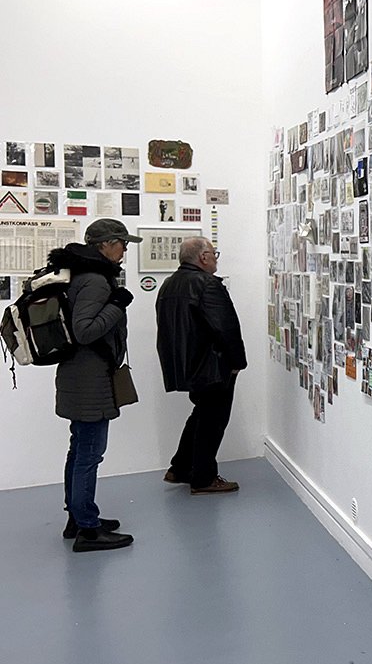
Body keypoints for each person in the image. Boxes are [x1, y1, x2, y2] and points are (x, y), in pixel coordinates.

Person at [49, 218, 142, 552]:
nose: (125, 249)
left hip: (80, 376)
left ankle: (77, 518)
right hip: (89, 379)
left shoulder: (83, 274)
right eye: (122, 243)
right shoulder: (95, 281)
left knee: (80, 450)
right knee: (89, 453)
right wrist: (117, 304)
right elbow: (85, 331)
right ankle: (88, 530)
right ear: (105, 244)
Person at [156, 238, 246, 495]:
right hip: (212, 365)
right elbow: (226, 327)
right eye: (214, 254)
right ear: (203, 257)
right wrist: (237, 362)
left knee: (202, 414)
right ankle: (203, 478)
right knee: (213, 420)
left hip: (186, 364)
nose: (216, 258)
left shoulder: (169, 283)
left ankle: (180, 468)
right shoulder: (207, 284)